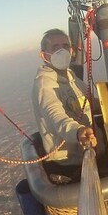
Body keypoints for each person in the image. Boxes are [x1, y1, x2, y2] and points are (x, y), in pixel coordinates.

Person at [32, 28, 98, 183]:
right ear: (44, 55)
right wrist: (78, 131)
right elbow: (56, 116)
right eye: (55, 48)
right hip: (70, 164)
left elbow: (90, 103)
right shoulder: (44, 84)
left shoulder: (70, 76)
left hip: (89, 153)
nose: (62, 50)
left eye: (65, 46)